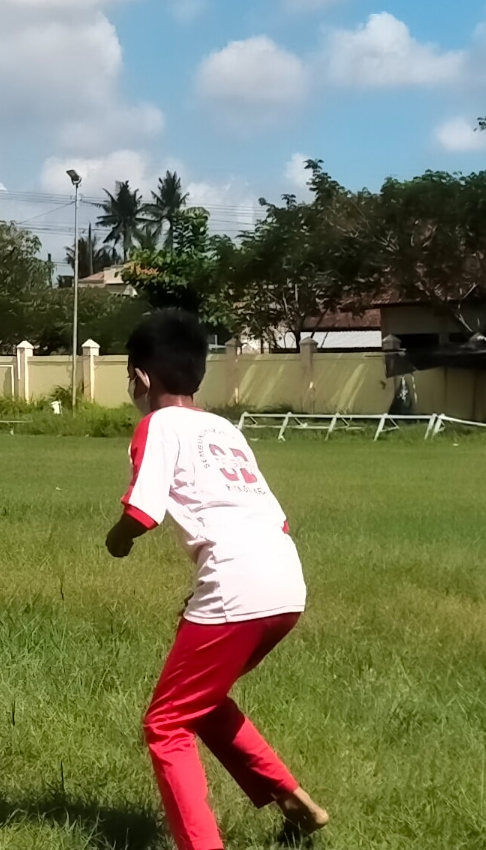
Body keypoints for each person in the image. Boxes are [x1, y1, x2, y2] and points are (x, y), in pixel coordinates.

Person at [106, 309, 329, 850]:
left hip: (236, 582)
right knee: (201, 701)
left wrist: (117, 539)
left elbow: (142, 512)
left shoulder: (158, 425)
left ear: (141, 377)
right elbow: (275, 518)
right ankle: (294, 801)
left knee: (166, 725)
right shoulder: (225, 430)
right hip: (285, 580)